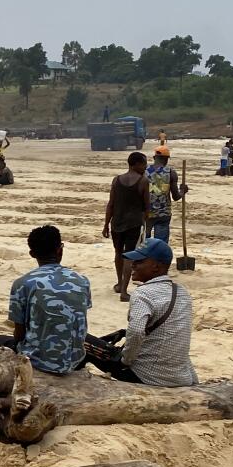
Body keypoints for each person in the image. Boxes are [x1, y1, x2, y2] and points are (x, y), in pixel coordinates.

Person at [85, 239, 197, 386]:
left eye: (139, 262)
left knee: (81, 340)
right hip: (180, 375)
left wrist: (125, 361)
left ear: (156, 267)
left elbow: (137, 332)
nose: (133, 265)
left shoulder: (143, 294)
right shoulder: (181, 292)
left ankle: (75, 384)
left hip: (148, 375)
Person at [0, 225, 91, 375]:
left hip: (38, 361)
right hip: (75, 359)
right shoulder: (82, 280)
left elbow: (19, 333)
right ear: (60, 249)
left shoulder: (23, 283)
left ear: (32, 253)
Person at [103, 151, 150, 301]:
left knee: (118, 253)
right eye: (144, 163)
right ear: (135, 164)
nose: (145, 166)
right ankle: (124, 291)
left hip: (116, 223)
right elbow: (147, 206)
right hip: (133, 223)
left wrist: (105, 225)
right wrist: (145, 222)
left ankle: (119, 284)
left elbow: (111, 204)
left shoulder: (116, 180)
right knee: (129, 255)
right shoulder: (143, 182)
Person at [145, 146, 187, 242]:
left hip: (146, 212)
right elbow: (176, 196)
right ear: (167, 159)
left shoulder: (144, 171)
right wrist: (183, 191)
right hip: (163, 213)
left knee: (142, 243)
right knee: (160, 244)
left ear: (154, 157)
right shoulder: (171, 173)